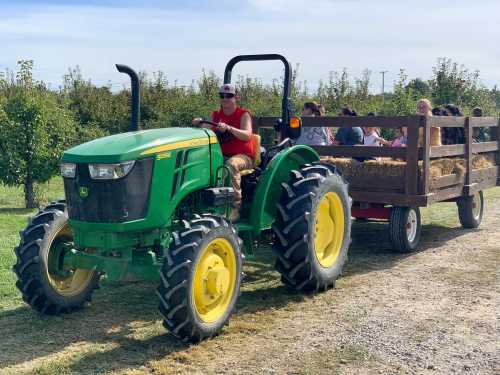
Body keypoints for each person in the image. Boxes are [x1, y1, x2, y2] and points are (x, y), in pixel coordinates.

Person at [192, 84, 254, 222]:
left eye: (229, 96)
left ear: (236, 97)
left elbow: (247, 135)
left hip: (243, 156)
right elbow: (206, 131)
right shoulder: (216, 115)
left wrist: (229, 128)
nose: (225, 98)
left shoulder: (244, 114)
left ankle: (235, 208)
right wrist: (199, 124)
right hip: (221, 154)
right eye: (222, 96)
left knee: (231, 164)